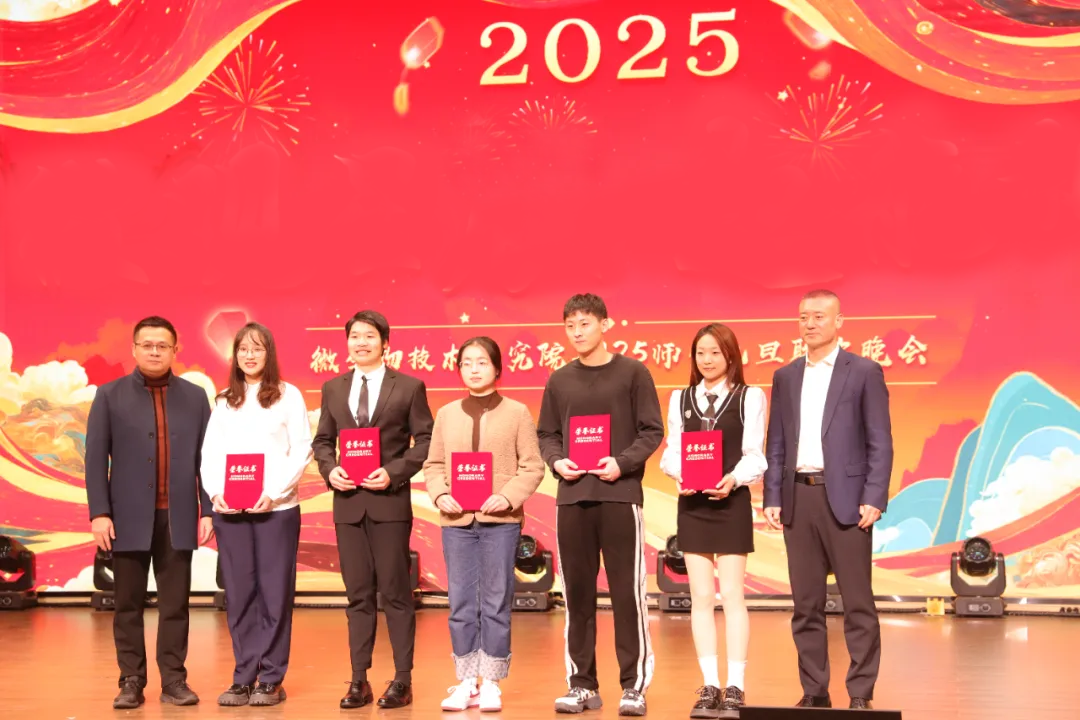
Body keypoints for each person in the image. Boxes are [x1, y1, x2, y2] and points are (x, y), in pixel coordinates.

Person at [763, 290, 893, 710]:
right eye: (804, 316)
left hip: (849, 501)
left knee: (858, 603)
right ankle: (814, 691)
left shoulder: (864, 371)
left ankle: (860, 692)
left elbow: (880, 441)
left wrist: (874, 496)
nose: (810, 323)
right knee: (805, 605)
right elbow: (776, 442)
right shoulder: (786, 376)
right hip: (798, 498)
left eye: (819, 316)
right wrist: (772, 493)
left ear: (839, 321)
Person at [537, 293, 665, 717]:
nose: (577, 332)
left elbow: (651, 430)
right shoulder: (559, 380)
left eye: (585, 323)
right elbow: (547, 434)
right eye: (570, 325)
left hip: (619, 495)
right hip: (573, 497)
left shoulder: (633, 372)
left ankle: (633, 686)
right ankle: (581, 685)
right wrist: (558, 461)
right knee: (576, 594)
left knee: (628, 593)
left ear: (605, 324)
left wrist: (621, 463)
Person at [84, 316, 214, 709]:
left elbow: (207, 460)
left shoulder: (195, 397)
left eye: (162, 345)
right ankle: (131, 680)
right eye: (147, 345)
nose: (155, 352)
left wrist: (207, 509)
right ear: (134, 349)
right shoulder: (109, 395)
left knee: (176, 604)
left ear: (175, 350)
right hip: (125, 518)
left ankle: (174, 679)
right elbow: (95, 459)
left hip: (178, 516)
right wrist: (100, 512)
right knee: (127, 604)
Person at [312, 310, 434, 710]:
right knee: (358, 595)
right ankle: (358, 680)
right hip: (348, 505)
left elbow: (425, 440)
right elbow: (323, 441)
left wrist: (394, 473)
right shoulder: (333, 388)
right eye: (354, 336)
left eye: (369, 336)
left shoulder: (409, 387)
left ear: (385, 343)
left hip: (388, 503)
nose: (361, 342)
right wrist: (330, 470)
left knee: (396, 593)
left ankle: (402, 679)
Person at [423, 337, 544, 713]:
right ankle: (465, 681)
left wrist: (507, 497)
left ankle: (491, 682)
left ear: (497, 368)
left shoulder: (517, 413)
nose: (473, 369)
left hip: (500, 522)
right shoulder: (446, 414)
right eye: (466, 363)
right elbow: (433, 465)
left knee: (495, 601)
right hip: (457, 520)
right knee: (460, 602)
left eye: (481, 362)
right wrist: (440, 494)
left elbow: (532, 466)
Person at [199, 322, 312, 707]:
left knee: (274, 593)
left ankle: (271, 678)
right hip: (231, 511)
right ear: (235, 355)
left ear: (269, 354)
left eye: (257, 349)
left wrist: (273, 492)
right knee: (239, 593)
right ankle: (243, 676)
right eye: (243, 349)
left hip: (276, 510)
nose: (249, 355)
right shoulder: (224, 400)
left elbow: (302, 449)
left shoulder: (287, 395)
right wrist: (216, 492)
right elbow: (210, 454)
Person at [659, 323, 767, 719]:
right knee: (701, 597)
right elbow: (671, 452)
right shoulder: (681, 398)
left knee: (733, 595)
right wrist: (680, 474)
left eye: (715, 353)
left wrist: (733, 479)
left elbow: (756, 455)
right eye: (700, 353)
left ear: (730, 356)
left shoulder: (749, 397)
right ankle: (709, 685)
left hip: (731, 502)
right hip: (693, 505)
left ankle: (735, 685)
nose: (707, 360)